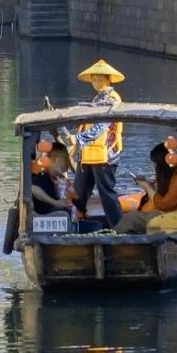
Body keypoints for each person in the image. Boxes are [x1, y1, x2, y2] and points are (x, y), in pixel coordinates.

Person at [72, 58, 125, 227]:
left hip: (105, 153)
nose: (96, 82)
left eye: (99, 79)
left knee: (106, 191)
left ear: (108, 79)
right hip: (89, 153)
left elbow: (102, 125)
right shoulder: (97, 98)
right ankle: (78, 220)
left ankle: (119, 227)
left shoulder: (112, 98)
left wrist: (79, 138)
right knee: (79, 189)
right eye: (93, 79)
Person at [115, 140, 177, 233]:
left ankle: (108, 243)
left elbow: (164, 204)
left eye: (155, 164)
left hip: (173, 220)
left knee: (135, 218)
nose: (153, 167)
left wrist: (147, 187)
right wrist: (147, 184)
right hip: (164, 215)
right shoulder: (169, 174)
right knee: (133, 216)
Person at [31, 140, 72, 212]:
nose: (68, 163)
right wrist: (55, 203)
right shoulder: (42, 176)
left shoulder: (56, 179)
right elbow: (32, 188)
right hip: (47, 217)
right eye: (65, 159)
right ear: (56, 160)